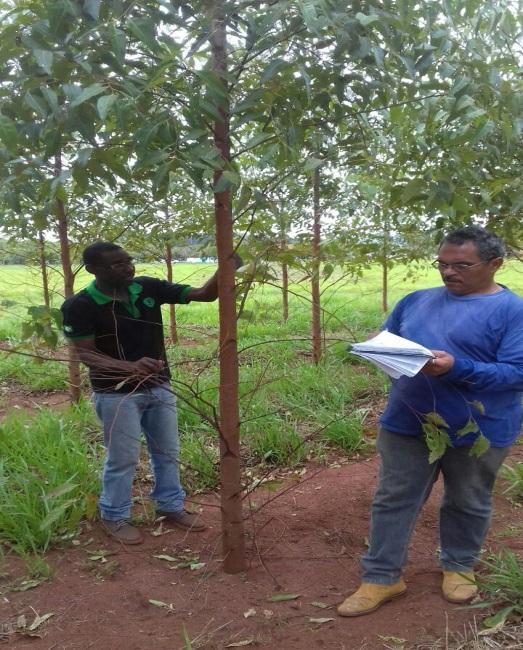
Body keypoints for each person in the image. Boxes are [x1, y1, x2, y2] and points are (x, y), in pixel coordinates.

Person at [338, 226, 523, 617]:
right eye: (442, 263)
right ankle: (382, 576)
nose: (448, 272)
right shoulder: (415, 301)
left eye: (461, 265)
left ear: (495, 264)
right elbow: (388, 341)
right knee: (394, 498)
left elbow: (516, 373)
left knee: (468, 499)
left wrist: (457, 368)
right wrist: (377, 348)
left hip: (481, 431)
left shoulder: (513, 312)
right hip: (408, 422)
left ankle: (458, 566)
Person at [61, 242, 239, 544]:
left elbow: (204, 295)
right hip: (116, 394)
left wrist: (227, 267)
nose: (128, 267)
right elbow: (86, 354)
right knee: (123, 458)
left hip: (159, 386)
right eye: (116, 264)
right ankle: (114, 515)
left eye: (128, 261)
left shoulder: (146, 288)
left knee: (168, 452)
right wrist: (129, 367)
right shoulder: (80, 306)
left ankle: (170, 506)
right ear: (93, 270)